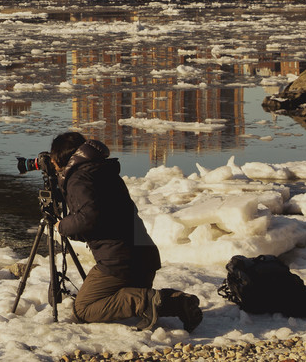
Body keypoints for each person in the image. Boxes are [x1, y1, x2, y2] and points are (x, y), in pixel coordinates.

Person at [50, 131, 202, 332]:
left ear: (62, 158)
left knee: (83, 309)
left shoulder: (79, 178)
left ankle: (146, 301)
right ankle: (175, 303)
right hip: (144, 257)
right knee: (120, 295)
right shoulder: (102, 171)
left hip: (120, 263)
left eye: (53, 162)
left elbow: (89, 217)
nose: (52, 166)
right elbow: (100, 219)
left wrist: (62, 226)